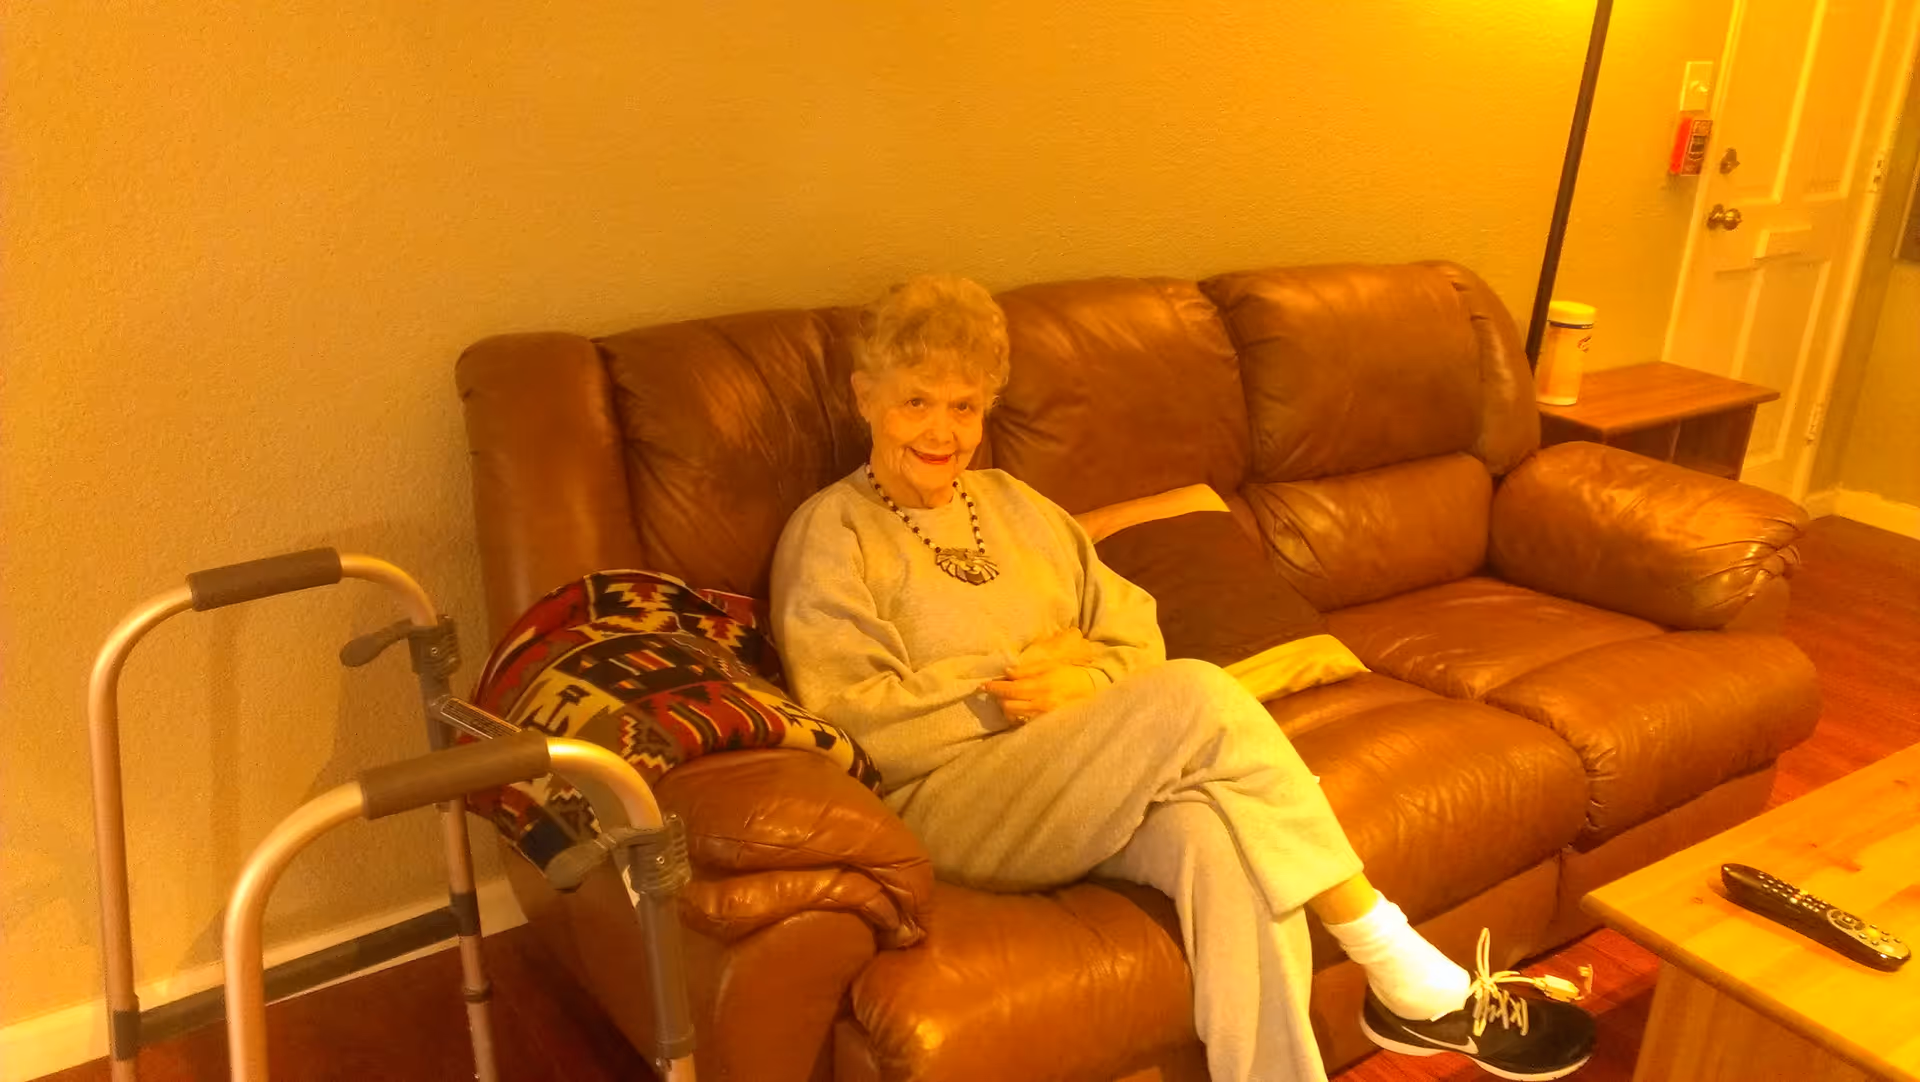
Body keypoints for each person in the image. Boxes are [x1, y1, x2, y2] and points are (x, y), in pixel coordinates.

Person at [769, 274, 1596, 1082]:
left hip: (1081, 776)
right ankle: (1394, 958)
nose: (941, 429)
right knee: (1200, 693)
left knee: (1224, 838)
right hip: (952, 802)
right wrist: (1017, 680)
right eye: (916, 400)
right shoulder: (832, 533)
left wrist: (1088, 681)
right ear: (864, 396)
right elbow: (859, 721)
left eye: (964, 405)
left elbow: (1138, 634)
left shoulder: (1018, 506)